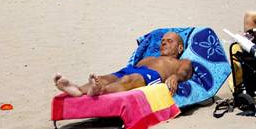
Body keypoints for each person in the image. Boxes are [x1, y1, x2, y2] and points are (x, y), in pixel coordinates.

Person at [55, 31, 193, 97]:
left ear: (180, 48)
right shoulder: (150, 57)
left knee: (129, 80)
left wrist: (175, 77)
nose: (164, 42)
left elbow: (185, 72)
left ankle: (100, 91)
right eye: (163, 40)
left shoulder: (180, 61)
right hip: (132, 69)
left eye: (169, 41)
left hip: (152, 76)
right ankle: (77, 89)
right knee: (105, 78)